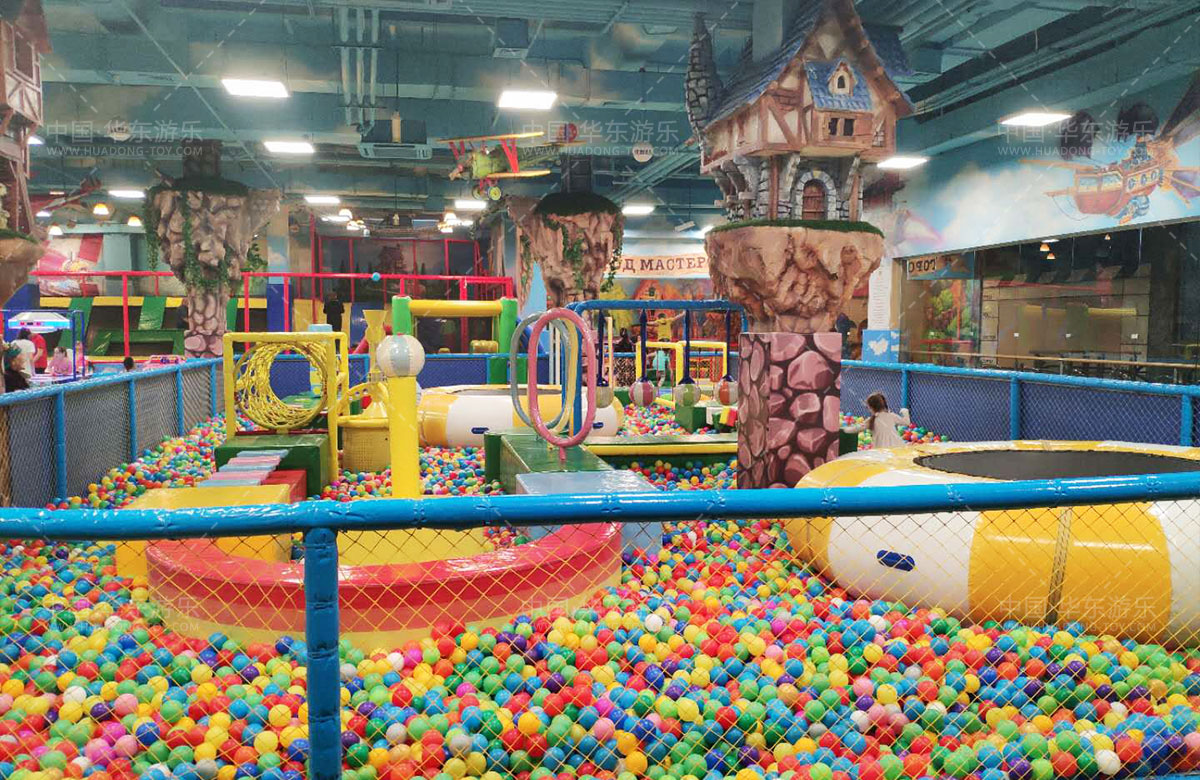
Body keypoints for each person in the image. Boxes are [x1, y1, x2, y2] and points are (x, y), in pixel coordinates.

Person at [843, 392, 911, 449]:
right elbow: (907, 422)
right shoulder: (891, 416)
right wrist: (905, 411)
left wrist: (845, 429)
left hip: (881, 451)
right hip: (897, 447)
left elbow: (856, 429)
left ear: (871, 408)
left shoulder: (872, 420)